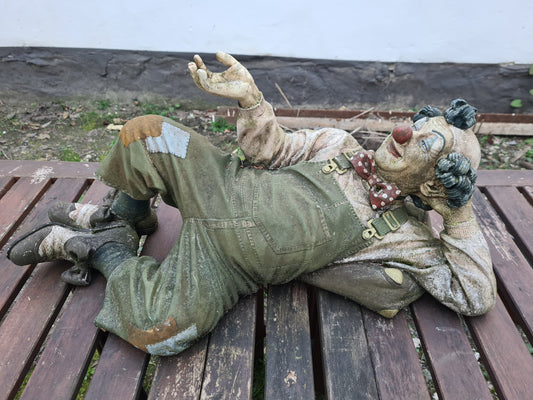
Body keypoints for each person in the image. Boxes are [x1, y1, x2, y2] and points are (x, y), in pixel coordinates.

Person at [7, 52, 495, 356]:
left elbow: (474, 297)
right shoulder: (339, 145)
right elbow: (271, 150)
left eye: (426, 144)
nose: (406, 133)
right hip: (220, 185)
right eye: (417, 125)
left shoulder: (406, 237)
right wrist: (252, 102)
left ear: (435, 185)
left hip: (225, 265)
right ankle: (127, 217)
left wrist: (458, 213)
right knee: (145, 133)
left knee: (161, 332)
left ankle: (97, 248)